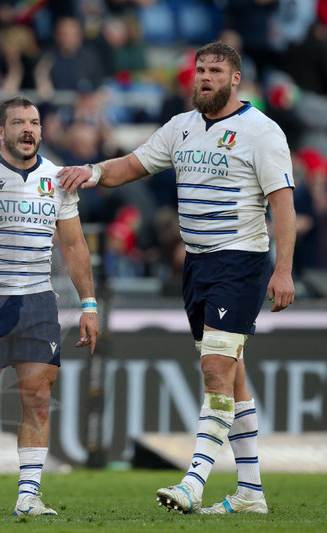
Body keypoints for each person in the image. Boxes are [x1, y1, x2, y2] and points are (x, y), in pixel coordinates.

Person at [58, 41, 296, 515]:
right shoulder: (181, 128)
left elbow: (283, 204)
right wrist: (91, 170)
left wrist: (284, 269)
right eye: (199, 70)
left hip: (240, 262)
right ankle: (250, 492)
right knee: (233, 374)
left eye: (214, 71)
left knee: (214, 370)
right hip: (198, 266)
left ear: (235, 80)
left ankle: (194, 480)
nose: (204, 77)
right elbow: (131, 166)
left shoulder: (261, 132)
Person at [0, 95, 99, 516]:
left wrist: (89, 303)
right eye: (18, 123)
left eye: (34, 122)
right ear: (0, 131)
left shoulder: (56, 178)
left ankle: (28, 496)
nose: (28, 129)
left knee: (38, 398)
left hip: (37, 303)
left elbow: (74, 245)